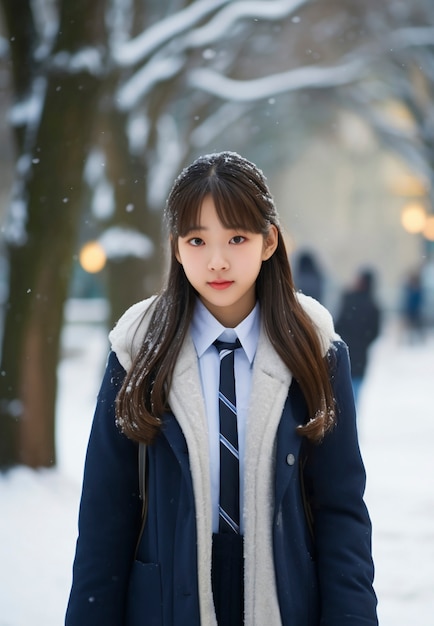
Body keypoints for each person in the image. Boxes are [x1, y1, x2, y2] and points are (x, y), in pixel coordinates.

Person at [66, 152, 378, 626]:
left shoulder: (316, 352)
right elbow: (104, 520)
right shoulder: (136, 353)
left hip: (287, 599)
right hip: (168, 599)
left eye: (236, 238)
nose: (216, 260)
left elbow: (341, 512)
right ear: (175, 247)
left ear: (268, 240)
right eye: (196, 239)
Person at [335, 269, 381, 404]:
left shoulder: (349, 300)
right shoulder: (373, 305)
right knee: (355, 392)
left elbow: (338, 324)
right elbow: (375, 332)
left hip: (344, 350)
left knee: (340, 390)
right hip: (361, 354)